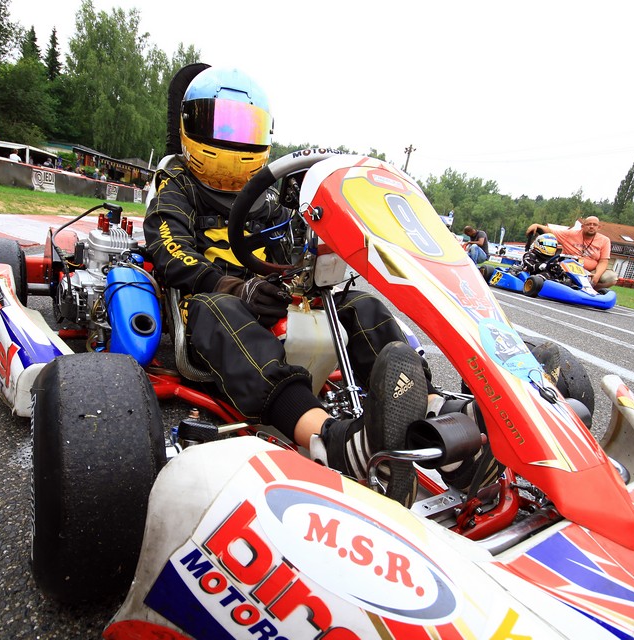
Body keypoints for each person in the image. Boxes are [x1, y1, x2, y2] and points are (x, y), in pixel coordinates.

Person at [143, 66, 430, 504]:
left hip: (271, 301)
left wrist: (303, 279)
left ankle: (424, 417)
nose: (235, 140)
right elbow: (168, 249)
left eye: (246, 127)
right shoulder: (177, 182)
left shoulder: (269, 199)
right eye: (222, 125)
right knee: (221, 311)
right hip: (205, 302)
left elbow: (293, 255)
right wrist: (236, 287)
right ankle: (328, 438)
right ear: (191, 125)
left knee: (362, 308)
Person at [526, 215, 617, 289]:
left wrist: (597, 275)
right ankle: (568, 286)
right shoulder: (570, 234)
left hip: (591, 271)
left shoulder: (605, 240)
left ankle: (592, 290)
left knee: (611, 278)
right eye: (588, 224)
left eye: (594, 225)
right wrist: (536, 225)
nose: (591, 226)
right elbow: (550, 232)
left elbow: (603, 261)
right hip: (570, 267)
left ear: (599, 227)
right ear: (583, 226)